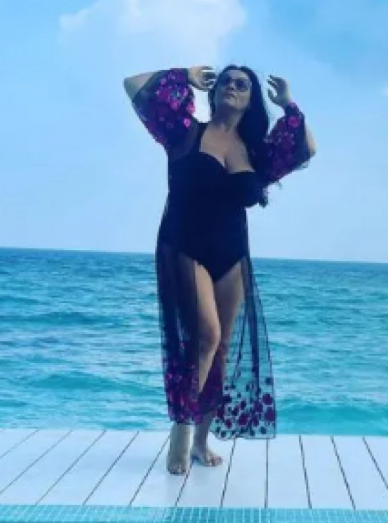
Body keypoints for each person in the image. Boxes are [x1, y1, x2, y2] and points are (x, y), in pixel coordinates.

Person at [123, 64, 315, 475]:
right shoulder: (185, 131)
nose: (232, 86)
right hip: (184, 245)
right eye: (226, 81)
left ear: (250, 99)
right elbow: (133, 86)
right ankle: (180, 434)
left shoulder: (256, 151)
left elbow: (307, 149)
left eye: (241, 84)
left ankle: (201, 442)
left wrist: (289, 104)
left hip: (232, 254)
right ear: (214, 92)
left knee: (222, 347)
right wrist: (182, 75)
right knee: (206, 336)